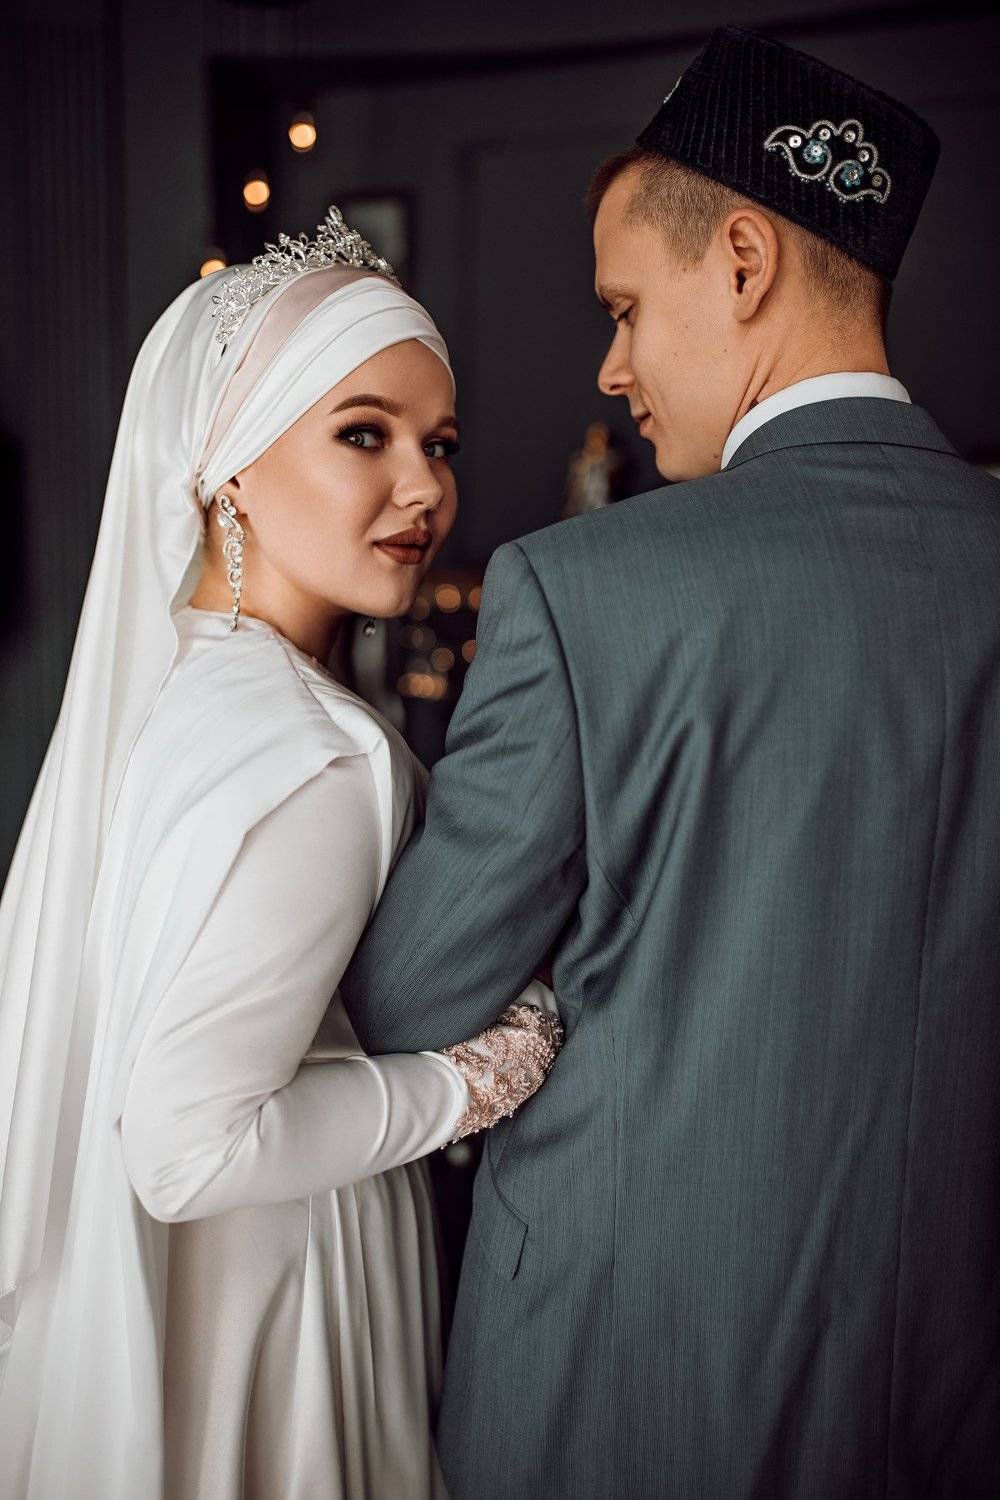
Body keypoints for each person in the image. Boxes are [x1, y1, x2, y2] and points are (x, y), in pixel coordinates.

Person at [341, 27, 1000, 1498]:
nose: (614, 365)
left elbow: (407, 999)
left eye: (627, 308)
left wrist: (565, 975)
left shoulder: (585, 591)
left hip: (623, 1390)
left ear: (745, 262)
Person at [0, 210, 561, 1500]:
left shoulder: (168, 692)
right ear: (229, 467)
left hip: (152, 1317)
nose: (424, 487)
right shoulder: (316, 753)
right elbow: (189, 1147)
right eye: (364, 433)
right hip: (270, 1306)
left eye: (438, 444)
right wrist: (469, 1085)